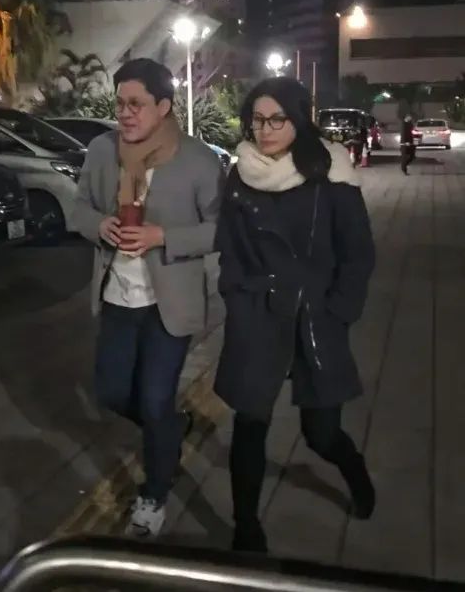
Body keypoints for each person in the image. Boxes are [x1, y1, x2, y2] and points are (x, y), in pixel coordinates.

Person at [214, 77, 376, 553]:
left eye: (276, 119)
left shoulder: (331, 171)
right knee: (250, 424)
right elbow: (230, 247)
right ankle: (246, 529)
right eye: (257, 120)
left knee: (320, 434)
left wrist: (338, 311)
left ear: (299, 120)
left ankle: (355, 471)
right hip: (258, 311)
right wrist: (238, 296)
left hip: (315, 315)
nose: (264, 130)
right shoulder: (242, 173)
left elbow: (358, 253)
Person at [73, 58, 224, 537]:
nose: (125, 113)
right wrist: (100, 225)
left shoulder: (198, 159)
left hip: (169, 303)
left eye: (136, 104)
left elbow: (223, 229)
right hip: (117, 297)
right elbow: (78, 207)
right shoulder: (103, 150)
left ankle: (154, 494)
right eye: (120, 103)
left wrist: (164, 237)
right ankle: (169, 431)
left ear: (163, 106)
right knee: (113, 393)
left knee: (155, 400)